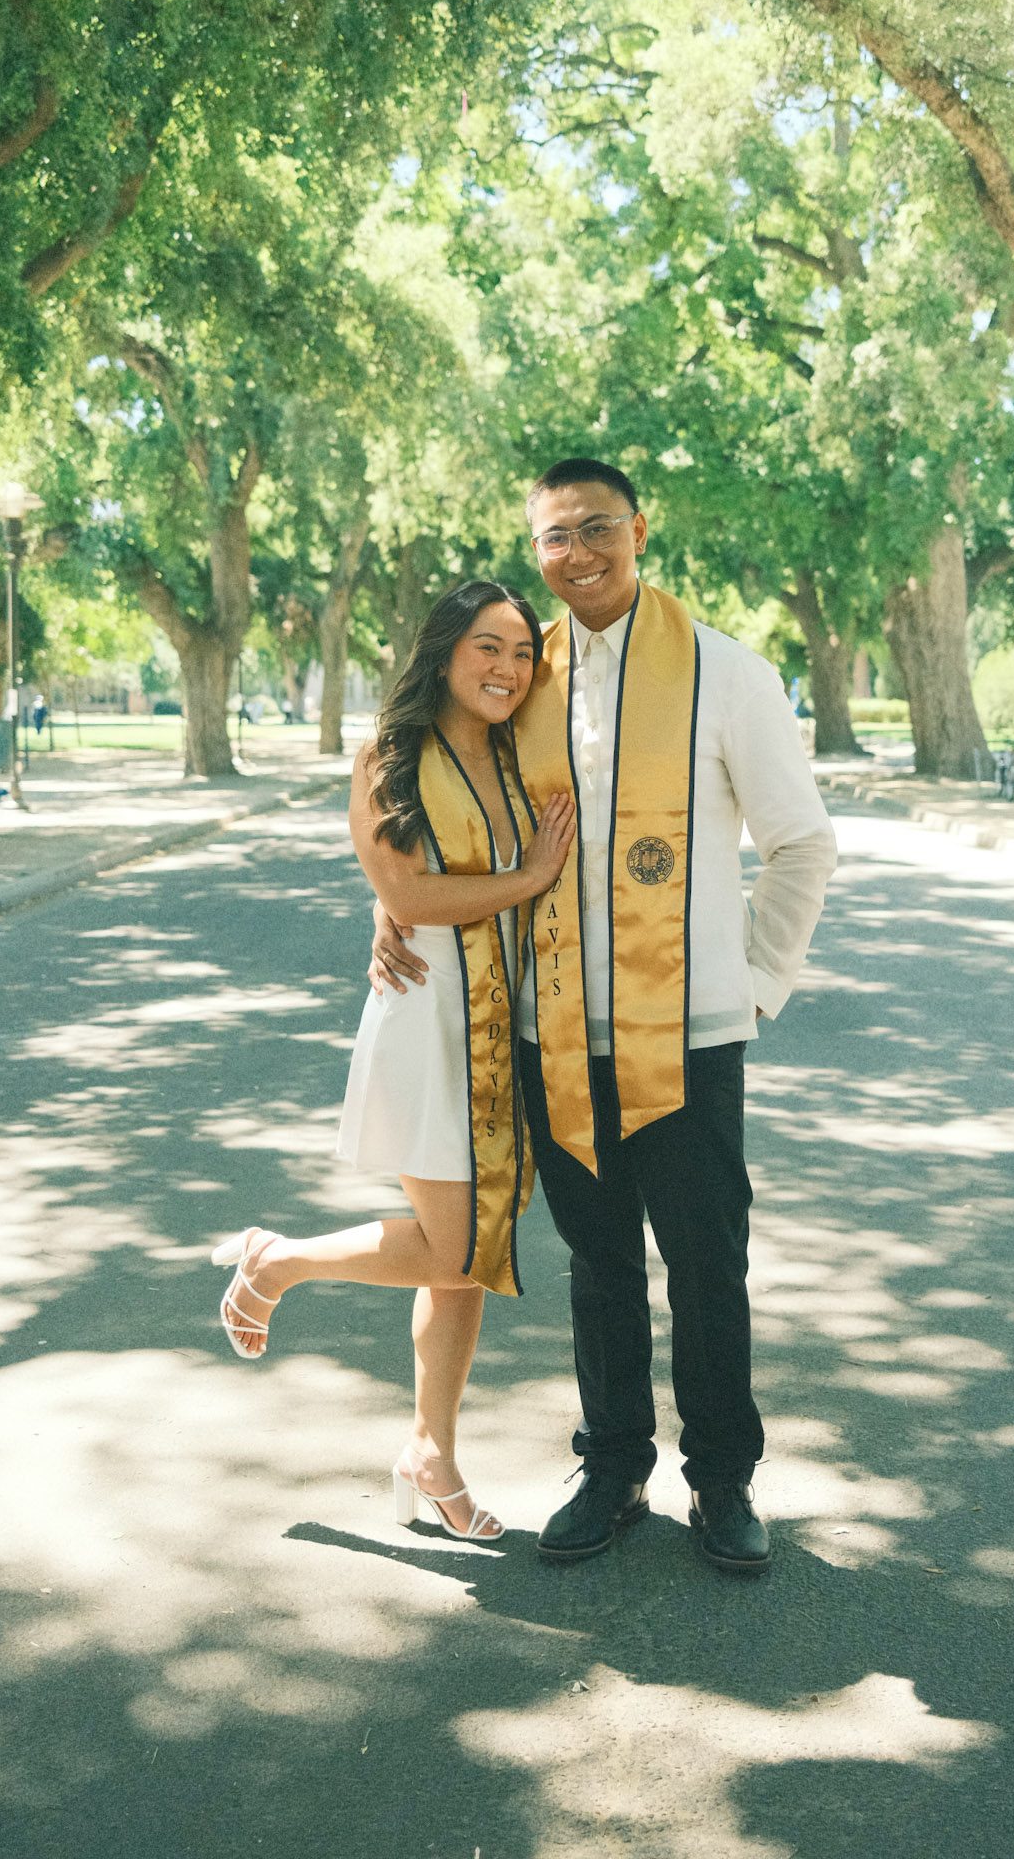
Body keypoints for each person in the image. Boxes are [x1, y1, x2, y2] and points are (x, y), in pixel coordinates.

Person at [371, 461, 838, 1573]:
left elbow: (801, 844)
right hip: (558, 1030)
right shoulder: (519, 677)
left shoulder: (726, 674)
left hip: (687, 1034)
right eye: (554, 536)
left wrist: (753, 984)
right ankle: (615, 1464)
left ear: (639, 529)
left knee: (706, 1262)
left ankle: (721, 1479)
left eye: (596, 528)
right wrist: (391, 904)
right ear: (534, 548)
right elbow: (438, 804)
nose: (575, 553)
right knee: (599, 1261)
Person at [211, 580, 574, 1543]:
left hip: (503, 1022)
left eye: (522, 653)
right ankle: (277, 1261)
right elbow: (409, 893)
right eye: (487, 647)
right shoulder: (388, 754)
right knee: (458, 1249)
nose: (507, 668)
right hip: (426, 1018)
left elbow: (437, 888)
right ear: (445, 652)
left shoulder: (519, 752)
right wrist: (523, 878)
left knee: (464, 1265)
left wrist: (495, 889)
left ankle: (430, 1452)